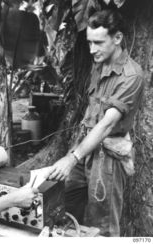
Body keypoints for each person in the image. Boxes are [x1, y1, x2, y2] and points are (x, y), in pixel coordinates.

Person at [39, 9, 144, 236]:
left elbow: (106, 125)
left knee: (102, 226)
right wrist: (75, 152)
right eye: (89, 42)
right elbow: (91, 110)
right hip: (84, 147)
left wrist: (71, 158)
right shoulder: (99, 63)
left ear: (117, 38)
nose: (92, 49)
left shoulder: (132, 75)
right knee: (59, 200)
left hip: (107, 158)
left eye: (98, 42)